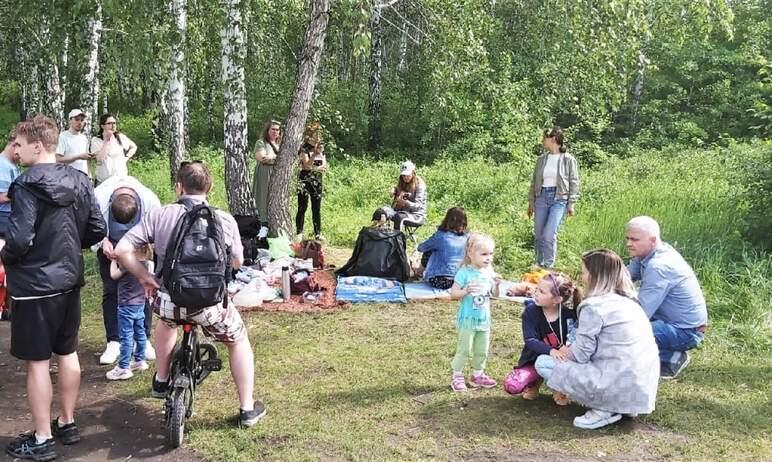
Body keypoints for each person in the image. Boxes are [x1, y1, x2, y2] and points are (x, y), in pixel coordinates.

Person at [115, 161, 266, 427]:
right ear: (210, 188)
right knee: (238, 340)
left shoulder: (160, 215)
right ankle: (246, 409)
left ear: (178, 187)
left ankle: (161, 381)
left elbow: (122, 249)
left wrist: (143, 276)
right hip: (211, 307)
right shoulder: (224, 219)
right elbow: (238, 262)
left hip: (170, 301)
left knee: (166, 322)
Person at [2, 115, 106, 461]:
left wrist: (5, 253)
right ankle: (67, 421)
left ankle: (43, 438)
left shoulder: (25, 185)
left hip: (35, 285)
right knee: (67, 352)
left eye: (18, 143)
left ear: (37, 145)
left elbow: (18, 238)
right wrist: (69, 247)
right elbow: (96, 229)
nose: (14, 150)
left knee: (36, 362)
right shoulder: (79, 180)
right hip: (68, 280)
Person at [535, 249, 659, 430]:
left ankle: (604, 408)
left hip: (612, 382)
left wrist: (563, 351)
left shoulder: (593, 307)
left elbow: (581, 355)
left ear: (594, 276)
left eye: (584, 272)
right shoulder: (630, 302)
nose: (582, 277)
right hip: (641, 390)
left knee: (544, 362)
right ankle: (623, 405)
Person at [625, 216, 708, 379]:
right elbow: (624, 277)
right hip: (670, 321)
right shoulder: (648, 253)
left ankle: (670, 357)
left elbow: (640, 314)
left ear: (653, 240)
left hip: (685, 331)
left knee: (625, 333)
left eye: (634, 239)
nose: (628, 243)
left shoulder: (659, 266)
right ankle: (663, 353)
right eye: (627, 238)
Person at [94, 176, 161, 365]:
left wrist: (147, 250)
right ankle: (114, 341)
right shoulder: (97, 199)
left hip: (139, 246)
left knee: (145, 288)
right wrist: (103, 242)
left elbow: (156, 232)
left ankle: (144, 340)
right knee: (110, 289)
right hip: (110, 245)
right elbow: (89, 227)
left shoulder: (150, 201)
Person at [504, 273, 581, 405]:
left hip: (560, 362)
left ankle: (558, 388)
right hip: (533, 359)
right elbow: (530, 339)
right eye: (537, 288)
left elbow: (576, 338)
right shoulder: (531, 311)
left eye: (541, 291)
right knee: (513, 385)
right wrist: (551, 351)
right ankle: (534, 382)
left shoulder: (569, 316)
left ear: (557, 300)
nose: (536, 293)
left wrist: (567, 348)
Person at [105, 196, 153, 381]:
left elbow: (113, 276)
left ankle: (123, 366)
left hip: (125, 305)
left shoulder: (127, 265)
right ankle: (139, 359)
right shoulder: (147, 264)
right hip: (140, 305)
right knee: (140, 332)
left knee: (126, 336)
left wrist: (114, 260)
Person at [449, 233, 501, 392]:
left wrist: (497, 285)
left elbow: (494, 295)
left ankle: (478, 374)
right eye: (484, 254)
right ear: (471, 254)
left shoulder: (489, 272)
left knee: (482, 349)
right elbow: (453, 294)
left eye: (491, 254)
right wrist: (465, 291)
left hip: (483, 319)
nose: (488, 258)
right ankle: (457, 375)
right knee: (464, 349)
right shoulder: (464, 272)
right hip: (468, 319)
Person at [527, 126, 580, 268]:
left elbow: (574, 181)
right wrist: (531, 203)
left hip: (559, 199)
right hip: (541, 197)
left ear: (553, 139)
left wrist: (571, 204)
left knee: (549, 234)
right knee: (538, 233)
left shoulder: (568, 159)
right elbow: (534, 181)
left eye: (545, 138)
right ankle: (538, 263)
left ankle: (548, 265)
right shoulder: (541, 160)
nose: (543, 141)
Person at [417, 206, 469, 290]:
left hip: (439, 281)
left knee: (429, 251)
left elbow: (421, 248)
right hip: (460, 281)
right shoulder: (468, 237)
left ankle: (419, 272)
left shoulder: (440, 236)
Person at [295, 123, 327, 241]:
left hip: (317, 180)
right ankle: (299, 232)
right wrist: (314, 155)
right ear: (310, 135)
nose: (318, 136)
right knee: (302, 206)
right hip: (305, 179)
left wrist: (318, 167)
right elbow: (306, 166)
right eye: (316, 134)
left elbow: (324, 164)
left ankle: (317, 232)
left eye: (319, 134)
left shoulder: (321, 147)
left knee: (316, 207)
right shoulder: (304, 148)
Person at [90, 113, 138, 185]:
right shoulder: (96, 140)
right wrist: (107, 140)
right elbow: (100, 158)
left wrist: (126, 157)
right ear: (102, 126)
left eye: (114, 123)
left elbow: (133, 146)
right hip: (103, 181)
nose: (113, 126)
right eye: (109, 123)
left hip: (120, 179)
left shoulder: (119, 137)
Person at [253, 120, 281, 238]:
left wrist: (271, 158)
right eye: (273, 129)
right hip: (264, 174)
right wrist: (276, 157)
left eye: (277, 130)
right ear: (268, 130)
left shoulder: (281, 145)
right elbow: (262, 158)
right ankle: (262, 225)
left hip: (277, 175)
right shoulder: (261, 143)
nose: (275, 132)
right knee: (263, 197)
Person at [381, 160, 427, 231]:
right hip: (401, 211)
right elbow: (397, 187)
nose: (405, 177)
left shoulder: (420, 185)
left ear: (413, 173)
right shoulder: (402, 181)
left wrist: (406, 203)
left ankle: (396, 240)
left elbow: (418, 206)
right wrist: (393, 190)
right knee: (382, 211)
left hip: (416, 215)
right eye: (403, 175)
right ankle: (380, 236)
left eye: (408, 175)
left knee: (399, 217)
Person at [56, 109, 92, 177]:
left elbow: (87, 160)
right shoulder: (63, 136)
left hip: (83, 177)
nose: (79, 122)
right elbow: (58, 159)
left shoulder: (84, 138)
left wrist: (89, 176)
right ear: (70, 121)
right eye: (77, 119)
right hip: (67, 176)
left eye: (82, 120)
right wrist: (78, 157)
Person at [0, 129, 20, 238]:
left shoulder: (13, 164)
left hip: (10, 216)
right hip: (3, 217)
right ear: (14, 145)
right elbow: (1, 197)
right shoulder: (2, 165)